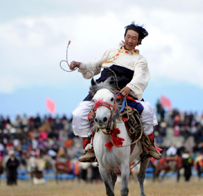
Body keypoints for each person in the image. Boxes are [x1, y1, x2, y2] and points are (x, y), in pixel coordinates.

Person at [69, 22, 161, 162]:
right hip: (100, 90)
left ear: (139, 41)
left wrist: (130, 87)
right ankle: (89, 146)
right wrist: (79, 65)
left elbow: (140, 77)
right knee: (79, 113)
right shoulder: (111, 52)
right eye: (128, 36)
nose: (130, 40)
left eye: (134, 38)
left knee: (147, 111)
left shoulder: (140, 60)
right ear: (124, 37)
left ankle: (149, 145)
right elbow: (93, 65)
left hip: (122, 93)